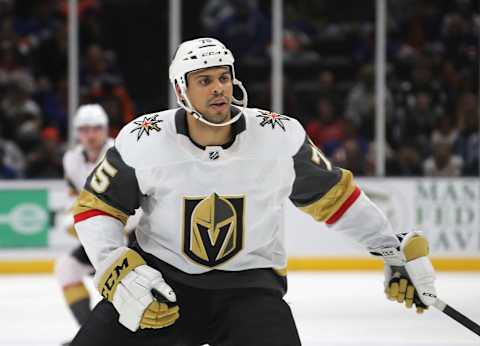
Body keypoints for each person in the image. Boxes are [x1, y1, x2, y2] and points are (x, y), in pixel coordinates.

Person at [71, 38, 437, 346]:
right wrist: (117, 269)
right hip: (165, 284)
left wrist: (391, 249)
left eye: (223, 77)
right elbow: (96, 207)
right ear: (181, 89)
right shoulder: (143, 138)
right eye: (204, 80)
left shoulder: (279, 137)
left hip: (250, 290)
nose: (218, 88)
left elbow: (337, 199)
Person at [54, 104, 114, 343]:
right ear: (78, 133)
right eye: (85, 129)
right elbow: (75, 198)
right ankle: (91, 337)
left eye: (96, 128)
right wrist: (74, 218)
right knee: (66, 268)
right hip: (98, 233)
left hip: (130, 234)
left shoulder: (119, 153)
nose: (91, 135)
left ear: (106, 130)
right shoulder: (71, 159)